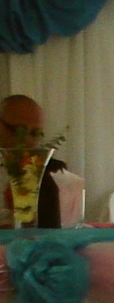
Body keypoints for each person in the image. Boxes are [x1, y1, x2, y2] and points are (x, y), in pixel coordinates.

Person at [0, 94, 64, 228]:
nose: (27, 141)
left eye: (35, 133)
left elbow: (53, 231)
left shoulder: (53, 174)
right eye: (19, 131)